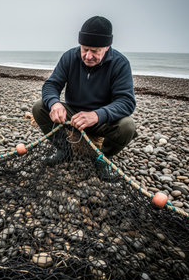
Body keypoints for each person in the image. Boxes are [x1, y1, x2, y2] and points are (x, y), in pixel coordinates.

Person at [32, 16, 136, 178]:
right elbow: (51, 85)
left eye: (95, 51)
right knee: (39, 107)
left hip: (102, 120)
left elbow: (126, 102)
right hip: (73, 115)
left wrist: (97, 115)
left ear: (107, 47)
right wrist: (55, 104)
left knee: (127, 126)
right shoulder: (69, 57)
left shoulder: (120, 64)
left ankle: (103, 159)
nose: (88, 56)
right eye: (85, 49)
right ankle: (64, 150)